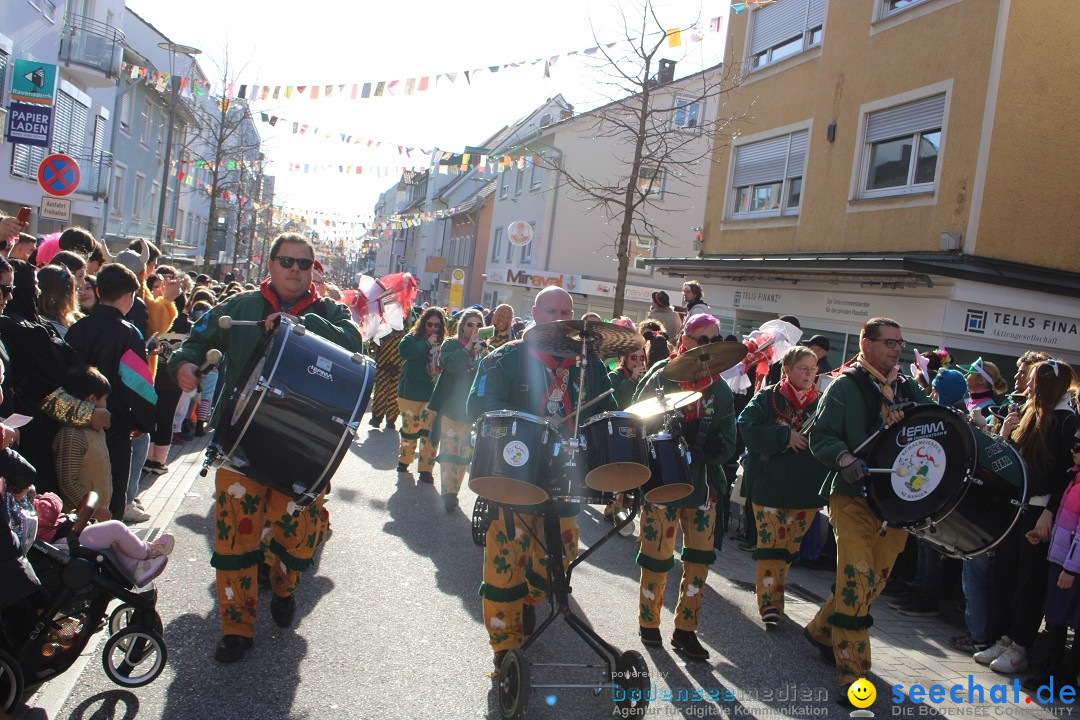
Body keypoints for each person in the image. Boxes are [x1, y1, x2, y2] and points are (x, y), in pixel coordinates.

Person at [170, 232, 362, 663]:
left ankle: (284, 584)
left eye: (303, 263)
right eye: (286, 261)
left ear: (314, 270)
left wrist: (300, 326)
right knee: (234, 536)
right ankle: (236, 628)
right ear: (270, 265)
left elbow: (355, 348)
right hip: (241, 443)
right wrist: (184, 365)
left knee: (297, 538)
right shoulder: (240, 308)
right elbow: (194, 341)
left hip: (305, 447)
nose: (295, 269)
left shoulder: (331, 312)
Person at [468, 286, 616, 669]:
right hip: (513, 478)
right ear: (534, 312)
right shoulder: (505, 359)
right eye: (551, 309)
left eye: (566, 310)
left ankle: (532, 600)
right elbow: (478, 407)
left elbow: (607, 415)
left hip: (565, 482)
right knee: (505, 563)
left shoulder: (591, 365)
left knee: (558, 556)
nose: (560, 316)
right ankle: (504, 648)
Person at [802, 317, 930, 703]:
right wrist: (843, 457)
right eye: (889, 342)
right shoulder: (844, 385)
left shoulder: (909, 388)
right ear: (866, 342)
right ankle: (854, 676)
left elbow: (931, 428)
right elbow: (820, 435)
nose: (896, 349)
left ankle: (821, 629)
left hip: (896, 504)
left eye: (900, 343)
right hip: (853, 497)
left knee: (874, 580)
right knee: (857, 580)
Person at [632, 313, 736, 660]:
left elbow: (728, 442)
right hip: (662, 482)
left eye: (714, 340)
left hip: (702, 486)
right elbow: (634, 414)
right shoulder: (663, 374)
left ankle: (686, 629)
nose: (707, 347)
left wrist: (707, 445)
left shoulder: (720, 388)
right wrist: (666, 431)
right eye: (701, 339)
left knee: (699, 561)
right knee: (657, 555)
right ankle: (649, 624)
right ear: (686, 340)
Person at [976, 359, 1080, 674]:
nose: (1028, 384)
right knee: (1005, 573)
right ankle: (1004, 636)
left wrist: (1047, 513)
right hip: (1018, 506)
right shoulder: (1031, 413)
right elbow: (1012, 462)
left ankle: (1021, 644)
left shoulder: (1066, 421)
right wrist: (1005, 434)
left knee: (1028, 581)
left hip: (1040, 511)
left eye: (1035, 379)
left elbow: (1066, 473)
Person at [737, 346, 827, 628]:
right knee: (770, 545)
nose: (810, 374)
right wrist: (783, 435)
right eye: (803, 368)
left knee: (788, 548)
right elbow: (746, 426)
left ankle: (776, 592)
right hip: (769, 485)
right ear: (786, 370)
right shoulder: (767, 398)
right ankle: (770, 603)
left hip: (805, 491)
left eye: (814, 369)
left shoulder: (822, 403)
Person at [66, 264, 157, 522]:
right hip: (115, 423)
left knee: (79, 489)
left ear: (98, 290)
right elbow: (139, 386)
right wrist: (143, 422)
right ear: (129, 296)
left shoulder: (77, 328)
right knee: (113, 490)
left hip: (76, 420)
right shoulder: (129, 333)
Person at [1024, 440, 1080, 690]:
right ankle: (1051, 671)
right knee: (1055, 619)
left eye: (1078, 446)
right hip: (1062, 559)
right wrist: (1047, 535)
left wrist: (1071, 568)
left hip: (1072, 567)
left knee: (1071, 622)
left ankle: (1065, 677)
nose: (1072, 450)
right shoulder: (1073, 477)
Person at [33, 491, 174, 586]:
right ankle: (147, 551)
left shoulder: (19, 503)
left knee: (112, 542)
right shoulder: (21, 505)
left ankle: (135, 568)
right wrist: (48, 496)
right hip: (60, 543)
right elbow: (47, 513)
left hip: (64, 532)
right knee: (116, 529)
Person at [428, 308, 484, 511]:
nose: (475, 328)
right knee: (449, 450)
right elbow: (450, 364)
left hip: (470, 411)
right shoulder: (451, 344)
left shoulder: (484, 348)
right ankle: (449, 493)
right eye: (470, 324)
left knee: (464, 454)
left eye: (479, 325)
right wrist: (469, 346)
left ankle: (455, 490)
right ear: (463, 326)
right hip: (450, 407)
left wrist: (480, 352)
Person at [53, 366, 114, 513]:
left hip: (97, 513)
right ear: (92, 399)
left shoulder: (96, 430)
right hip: (80, 520)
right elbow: (68, 481)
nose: (107, 405)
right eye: (105, 399)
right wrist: (94, 511)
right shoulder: (72, 435)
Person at [395, 307, 445, 483]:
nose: (433, 328)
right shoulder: (412, 338)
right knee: (409, 430)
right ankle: (404, 460)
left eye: (436, 325)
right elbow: (405, 352)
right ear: (423, 323)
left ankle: (426, 470)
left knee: (429, 433)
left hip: (431, 395)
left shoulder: (443, 342)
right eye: (429, 324)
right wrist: (426, 344)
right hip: (410, 393)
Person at [368, 325, 405, 430]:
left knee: (395, 394)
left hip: (399, 366)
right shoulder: (382, 324)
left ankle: (391, 419)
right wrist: (373, 358)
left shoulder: (407, 325)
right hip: (383, 364)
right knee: (380, 391)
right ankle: (376, 418)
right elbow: (373, 343)